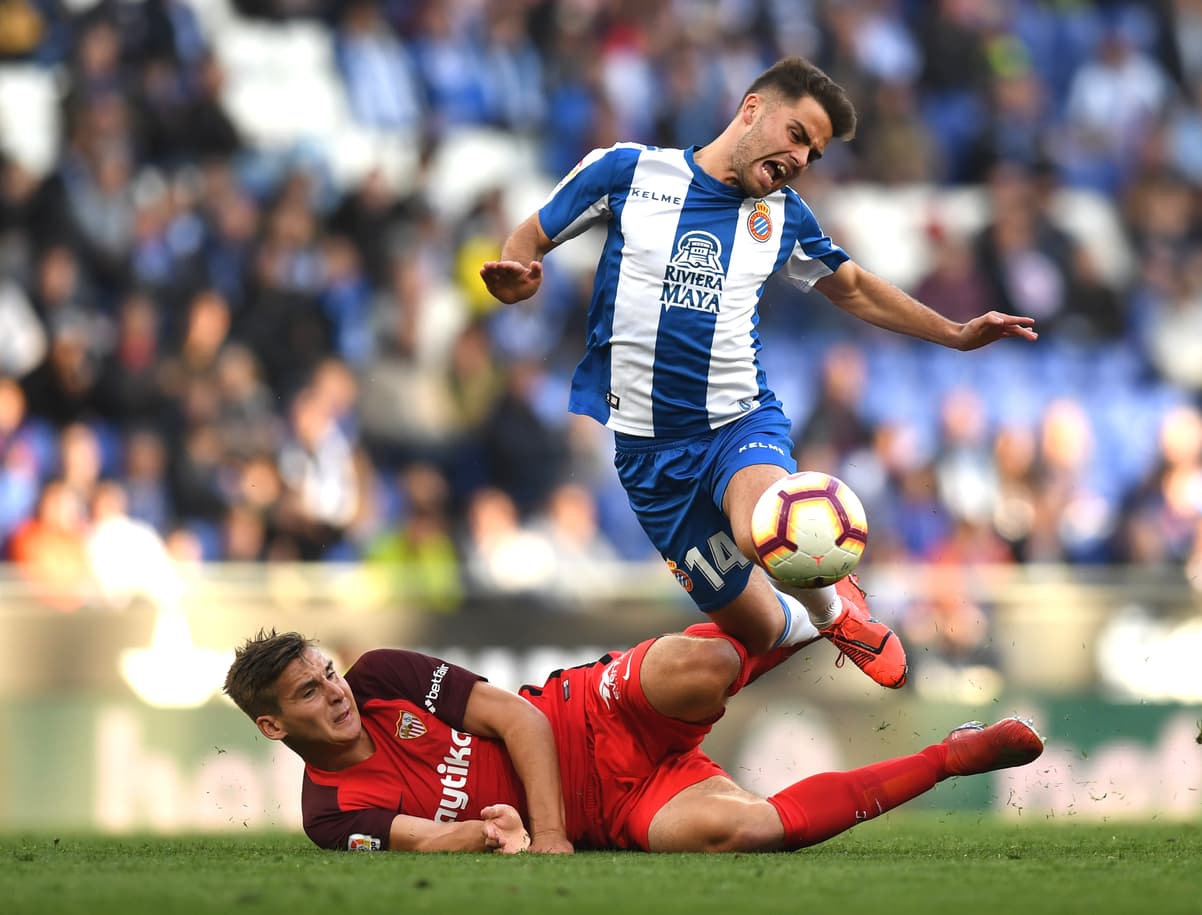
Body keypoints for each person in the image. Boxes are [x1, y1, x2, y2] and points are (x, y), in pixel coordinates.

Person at [479, 56, 1037, 691]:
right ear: (752, 110)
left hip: (737, 423)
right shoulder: (627, 171)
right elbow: (527, 240)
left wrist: (955, 333)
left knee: (767, 527)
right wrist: (515, 282)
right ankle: (816, 616)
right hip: (646, 455)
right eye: (797, 136)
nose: (801, 159)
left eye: (814, 154)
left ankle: (837, 609)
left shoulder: (784, 216)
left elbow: (851, 287)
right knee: (758, 630)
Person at [223, 626, 1044, 854]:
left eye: (323, 672)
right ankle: (954, 753)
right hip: (617, 809)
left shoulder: (379, 677)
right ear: (272, 724)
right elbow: (424, 836)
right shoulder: (331, 813)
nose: (333, 692)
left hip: (587, 712)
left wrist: (541, 834)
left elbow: (522, 719)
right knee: (749, 829)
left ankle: (823, 613)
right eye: (307, 691)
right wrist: (482, 832)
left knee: (708, 664)